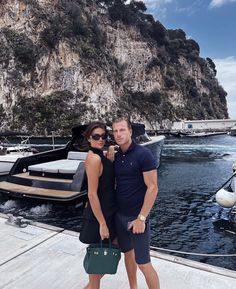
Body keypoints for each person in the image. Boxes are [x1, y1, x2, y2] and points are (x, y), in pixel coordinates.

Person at [112, 116, 160, 289]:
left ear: (130, 131)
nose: (118, 134)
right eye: (115, 130)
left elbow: (153, 187)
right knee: (128, 255)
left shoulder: (143, 155)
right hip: (120, 216)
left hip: (137, 218)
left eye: (122, 129)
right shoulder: (116, 156)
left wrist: (141, 218)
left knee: (144, 263)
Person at [79, 121, 117, 289]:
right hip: (99, 217)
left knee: (106, 256)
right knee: (97, 262)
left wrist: (110, 159)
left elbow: (107, 183)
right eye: (96, 136)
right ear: (89, 138)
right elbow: (92, 194)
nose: (101, 139)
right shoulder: (93, 158)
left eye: (104, 136)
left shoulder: (100, 156)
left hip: (108, 213)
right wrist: (102, 223)